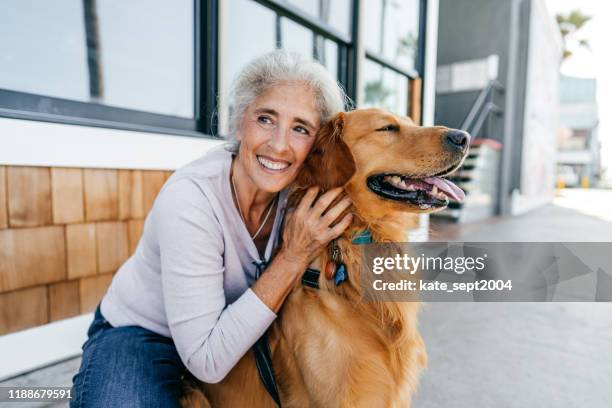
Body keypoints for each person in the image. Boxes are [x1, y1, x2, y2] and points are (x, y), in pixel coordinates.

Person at [70, 50, 353, 407]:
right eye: (266, 119)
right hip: (144, 334)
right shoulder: (190, 199)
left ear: (316, 143)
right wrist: (294, 256)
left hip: (241, 337)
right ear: (239, 122)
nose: (280, 145)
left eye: (300, 128)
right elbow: (207, 360)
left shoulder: (301, 194)